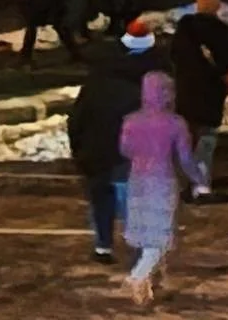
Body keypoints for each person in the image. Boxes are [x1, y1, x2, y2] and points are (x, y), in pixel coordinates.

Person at [69, 21, 165, 259]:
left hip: (97, 145)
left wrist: (77, 144)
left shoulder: (99, 75)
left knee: (101, 195)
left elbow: (80, 113)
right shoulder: (157, 79)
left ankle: (103, 244)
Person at [118, 70, 199, 304]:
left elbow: (125, 150)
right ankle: (138, 276)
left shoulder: (131, 121)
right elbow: (185, 158)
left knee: (145, 235)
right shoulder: (175, 123)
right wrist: (198, 177)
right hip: (161, 181)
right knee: (159, 238)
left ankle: (150, 284)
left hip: (137, 180)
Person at [168, 0, 228, 197]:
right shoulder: (219, 31)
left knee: (184, 139)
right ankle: (201, 183)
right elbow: (227, 61)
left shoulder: (184, 29)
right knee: (206, 139)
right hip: (210, 92)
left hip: (186, 91)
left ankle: (180, 182)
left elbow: (173, 56)